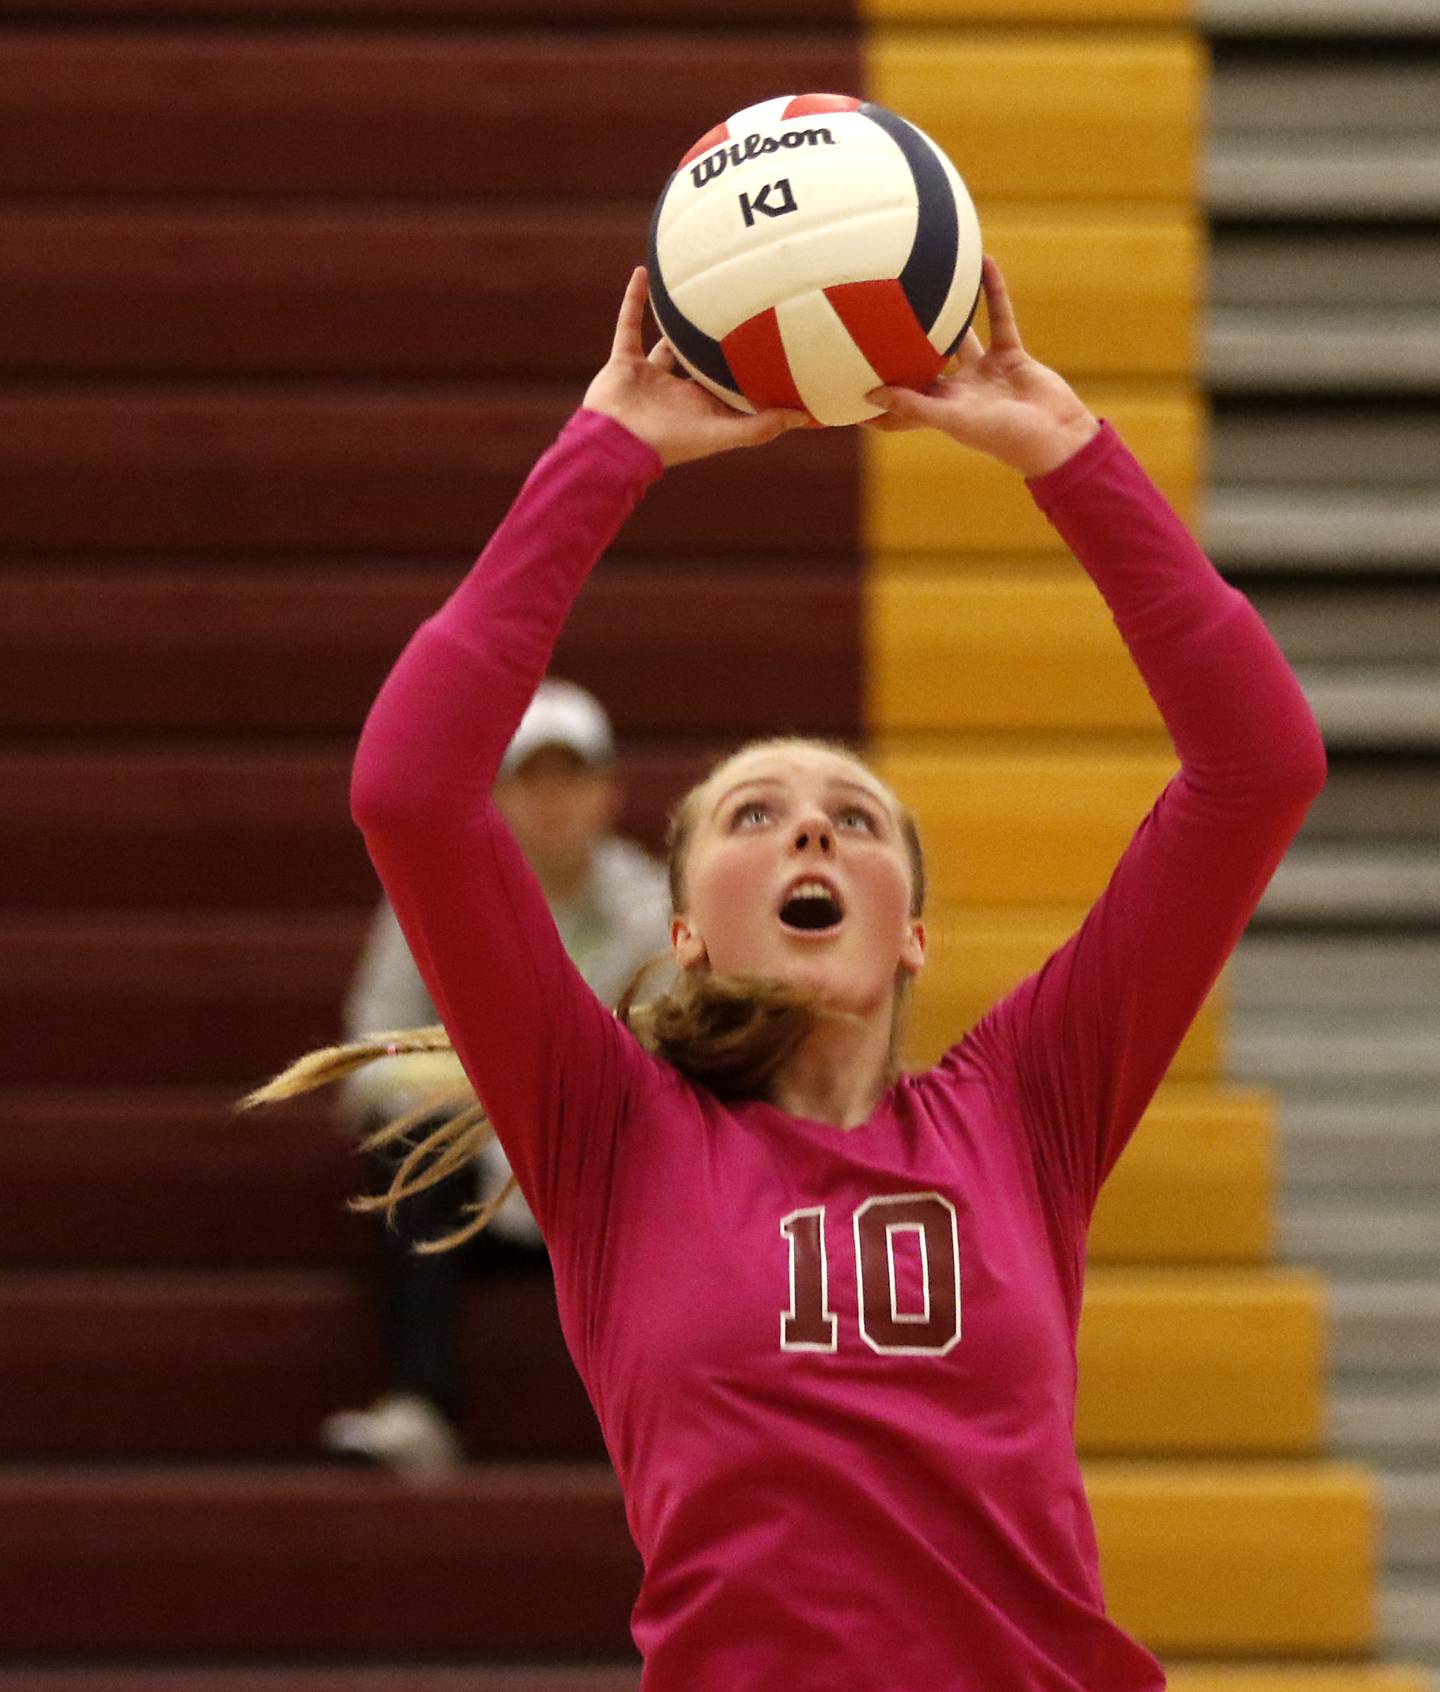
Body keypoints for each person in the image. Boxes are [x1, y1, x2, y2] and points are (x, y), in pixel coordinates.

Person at [249, 260, 1326, 1689]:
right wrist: (606, 454)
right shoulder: (613, 1138)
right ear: (681, 928)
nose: (811, 821)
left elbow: (1258, 772)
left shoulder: (1022, 1112)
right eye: (753, 816)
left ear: (914, 929)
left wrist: (1069, 457)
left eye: (855, 818)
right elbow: (410, 791)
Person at [322, 679, 671, 1474]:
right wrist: (487, 1110)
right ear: (496, 795)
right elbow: (366, 1060)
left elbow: (681, 1067)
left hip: (603, 1178)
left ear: (609, 791)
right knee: (407, 1144)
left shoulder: (660, 911)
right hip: (473, 1171)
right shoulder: (433, 893)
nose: (552, 801)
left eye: (571, 777)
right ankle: (421, 1407)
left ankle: (673, 1425)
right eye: (529, 778)